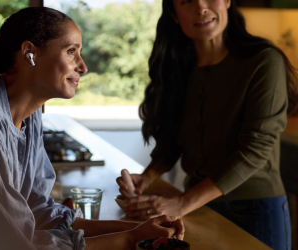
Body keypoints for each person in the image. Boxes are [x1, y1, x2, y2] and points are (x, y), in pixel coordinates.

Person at [0, 7, 184, 250]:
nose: (82, 66)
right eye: (71, 51)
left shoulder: (29, 115)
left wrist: (139, 228)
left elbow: (40, 211)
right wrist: (129, 238)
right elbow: (16, 242)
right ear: (30, 54)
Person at [116, 0, 297, 249]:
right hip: (199, 208)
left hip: (257, 209)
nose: (201, 8)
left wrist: (182, 203)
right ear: (174, 14)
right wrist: (146, 178)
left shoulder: (264, 61)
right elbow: (174, 140)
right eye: (187, 1)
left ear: (226, 1)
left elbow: (255, 150)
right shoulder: (178, 67)